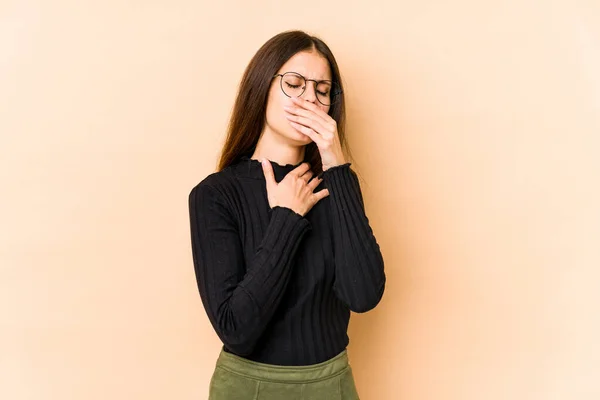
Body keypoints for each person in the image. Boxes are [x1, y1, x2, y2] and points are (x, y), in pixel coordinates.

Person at [188, 30, 386, 400]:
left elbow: (363, 295)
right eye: (294, 84)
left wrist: (336, 165)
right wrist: (287, 217)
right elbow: (236, 329)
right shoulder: (215, 195)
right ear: (262, 86)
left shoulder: (337, 185)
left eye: (322, 90)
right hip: (249, 387)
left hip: (332, 383)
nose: (309, 98)